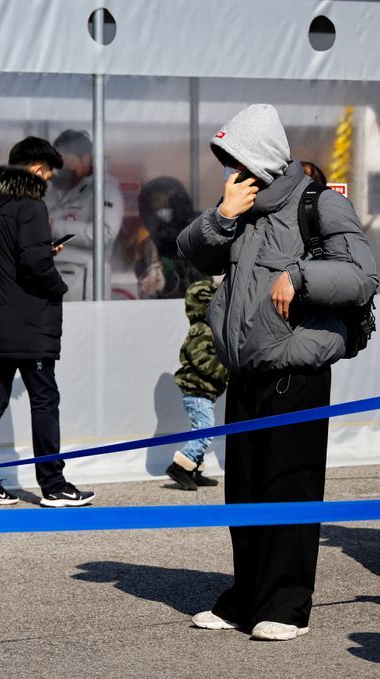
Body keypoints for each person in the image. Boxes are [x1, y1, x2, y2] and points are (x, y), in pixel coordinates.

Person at [178, 104, 379, 641]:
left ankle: (286, 606)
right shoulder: (240, 206)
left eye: (236, 159)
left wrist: (301, 275)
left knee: (288, 487)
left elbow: (363, 275)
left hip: (297, 371)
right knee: (243, 492)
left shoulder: (319, 205)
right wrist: (222, 215)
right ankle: (246, 596)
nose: (229, 170)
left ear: (262, 157)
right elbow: (190, 251)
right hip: (246, 372)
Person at [0, 137, 96, 508]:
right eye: (48, 173)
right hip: (29, 320)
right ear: (36, 169)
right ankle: (53, 484)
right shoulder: (30, 206)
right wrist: (58, 284)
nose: (48, 180)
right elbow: (35, 265)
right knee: (44, 398)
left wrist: (23, 264)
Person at [46, 129, 124, 301]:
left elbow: (105, 234)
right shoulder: (56, 191)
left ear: (86, 158)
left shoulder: (105, 190)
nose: (61, 167)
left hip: (85, 284)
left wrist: (53, 226)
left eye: (66, 160)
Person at [165, 279, 228, 490]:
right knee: (204, 430)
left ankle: (195, 469)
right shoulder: (201, 330)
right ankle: (180, 466)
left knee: (200, 429)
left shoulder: (209, 329)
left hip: (204, 392)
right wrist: (225, 371)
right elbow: (201, 360)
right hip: (196, 391)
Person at [137, 177, 207, 299]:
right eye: (156, 203)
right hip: (165, 302)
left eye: (166, 203)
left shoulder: (197, 228)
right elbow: (141, 270)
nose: (162, 209)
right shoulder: (150, 243)